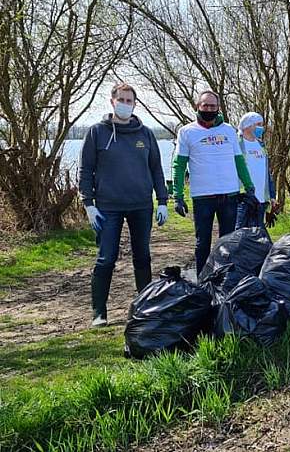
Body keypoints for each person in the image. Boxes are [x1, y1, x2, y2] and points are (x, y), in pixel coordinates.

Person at [78, 83, 168, 327]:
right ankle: (99, 312)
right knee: (106, 258)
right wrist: (88, 204)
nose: (125, 104)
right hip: (107, 207)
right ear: (112, 102)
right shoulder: (97, 132)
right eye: (122, 100)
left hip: (141, 205)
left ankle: (145, 307)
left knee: (143, 256)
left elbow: (156, 169)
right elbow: (85, 170)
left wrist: (162, 201)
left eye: (130, 101)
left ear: (135, 104)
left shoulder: (145, 134)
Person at [171, 91, 255, 274]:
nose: (209, 109)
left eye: (213, 106)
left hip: (229, 195)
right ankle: (202, 280)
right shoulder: (186, 132)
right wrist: (178, 195)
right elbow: (179, 165)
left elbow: (239, 161)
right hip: (203, 197)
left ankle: (225, 279)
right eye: (205, 105)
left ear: (218, 108)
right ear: (198, 106)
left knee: (227, 242)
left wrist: (249, 186)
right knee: (202, 244)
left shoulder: (229, 130)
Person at [236, 112, 276, 228]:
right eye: (258, 124)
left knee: (257, 233)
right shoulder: (237, 144)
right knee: (239, 232)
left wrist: (272, 195)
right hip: (243, 198)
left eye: (262, 125)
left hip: (261, 199)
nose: (261, 128)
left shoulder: (261, 145)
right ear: (248, 125)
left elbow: (266, 172)